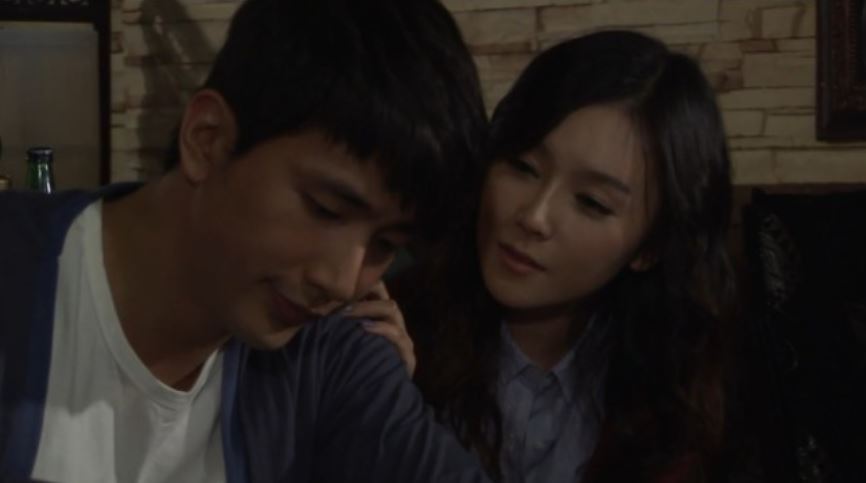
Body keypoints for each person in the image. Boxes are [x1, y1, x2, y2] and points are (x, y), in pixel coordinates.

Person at [0, 0, 491, 481]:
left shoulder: (331, 350)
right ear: (207, 138)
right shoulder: (19, 268)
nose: (341, 282)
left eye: (385, 244)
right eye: (325, 209)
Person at [365, 30, 737, 483]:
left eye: (592, 203)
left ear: (649, 247)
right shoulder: (390, 329)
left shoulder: (671, 392)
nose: (534, 217)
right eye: (523, 166)